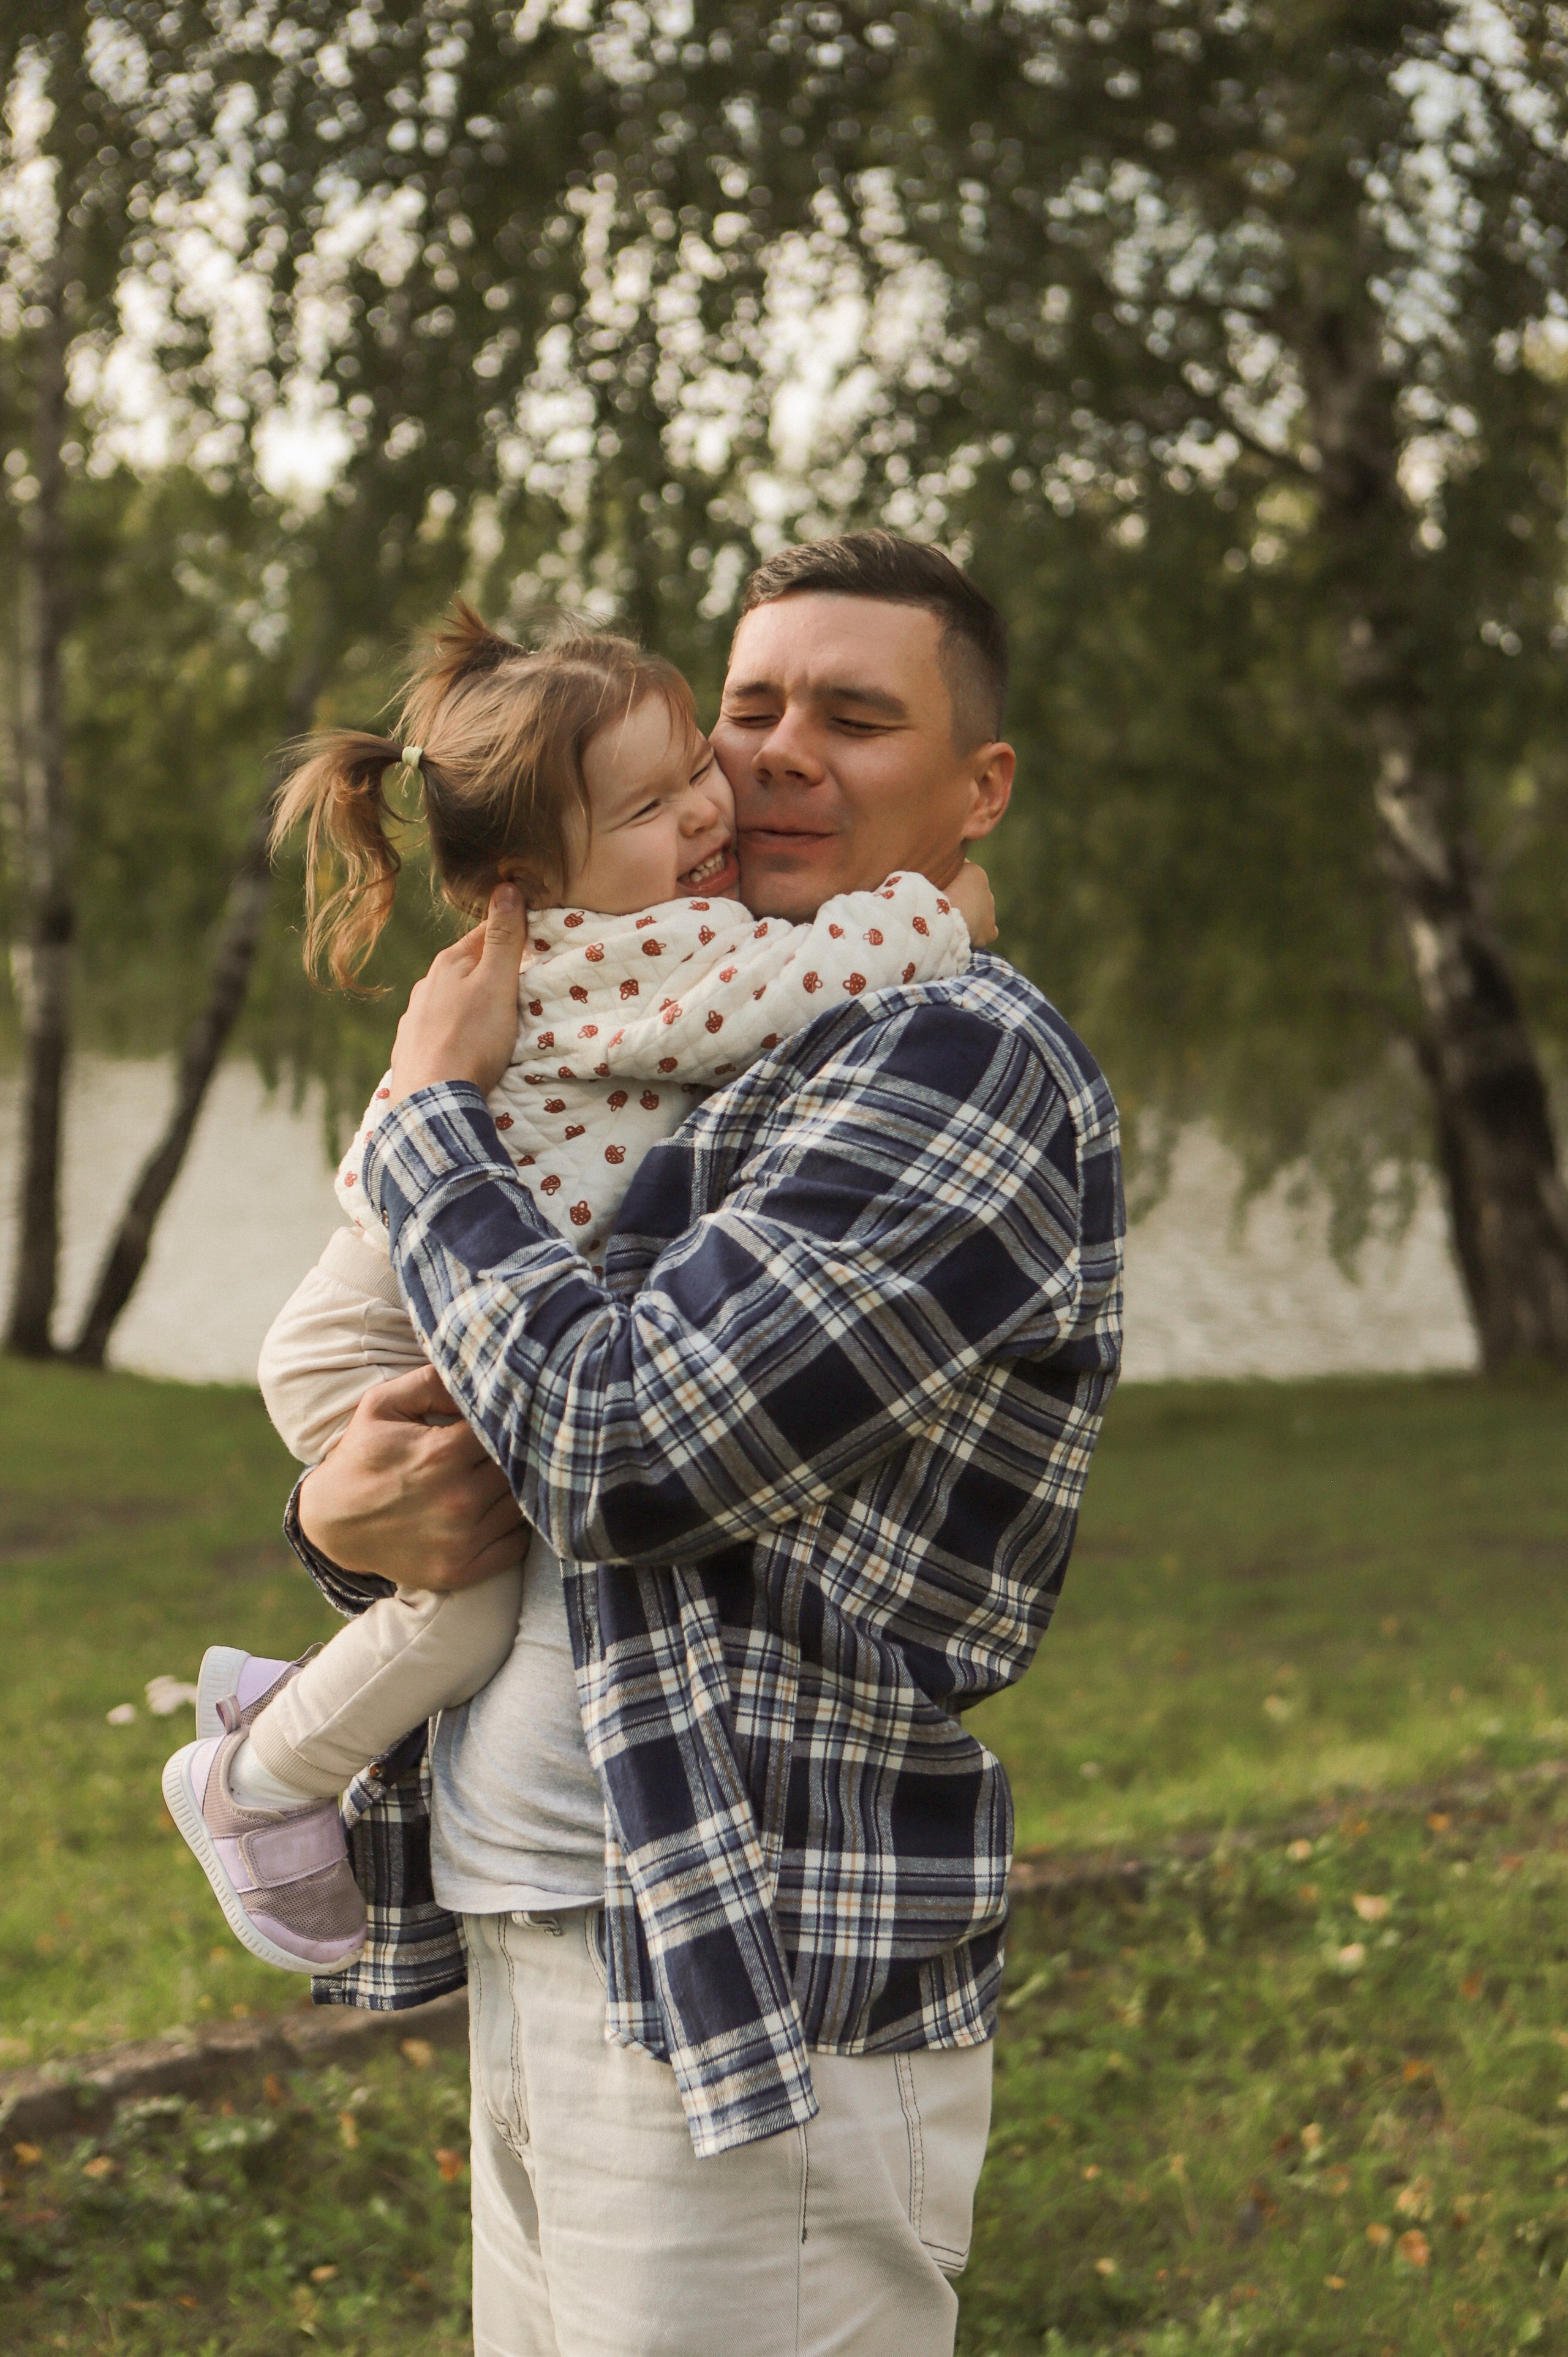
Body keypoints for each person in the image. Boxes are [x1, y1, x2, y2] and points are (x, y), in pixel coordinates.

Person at [286, 532, 1123, 2357]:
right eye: (751, 708)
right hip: (552, 1915)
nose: (779, 754)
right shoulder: (716, 1027)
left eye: (857, 714)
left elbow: (618, 1448)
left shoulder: (953, 1061)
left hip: (757, 1970)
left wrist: (432, 1114)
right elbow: (489, 1412)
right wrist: (348, 1521)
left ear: (978, 784)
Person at [160, 602, 994, 1977]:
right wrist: (940, 909)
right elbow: (799, 979)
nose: (711, 813)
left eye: (688, 778)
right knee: (469, 1601)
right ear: (528, 880)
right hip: (377, 1322)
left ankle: (283, 1703)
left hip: (401, 1309)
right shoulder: (626, 959)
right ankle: (254, 1782)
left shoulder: (665, 935)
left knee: (463, 1571)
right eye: (653, 804)